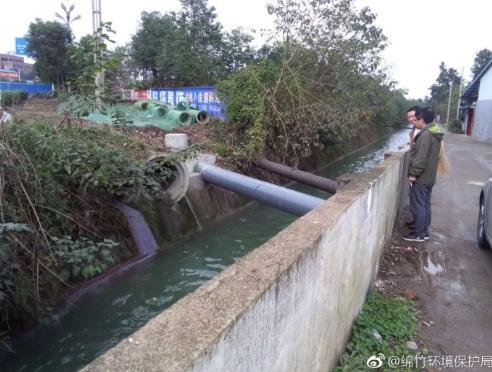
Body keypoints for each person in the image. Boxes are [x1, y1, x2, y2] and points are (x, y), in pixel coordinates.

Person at [404, 107, 443, 242]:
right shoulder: (434, 133)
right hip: (430, 177)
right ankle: (424, 231)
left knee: (419, 205)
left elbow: (421, 158)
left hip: (421, 177)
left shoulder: (425, 135)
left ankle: (418, 234)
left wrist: (413, 174)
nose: (414, 122)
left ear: (421, 119)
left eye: (415, 119)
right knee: (425, 204)